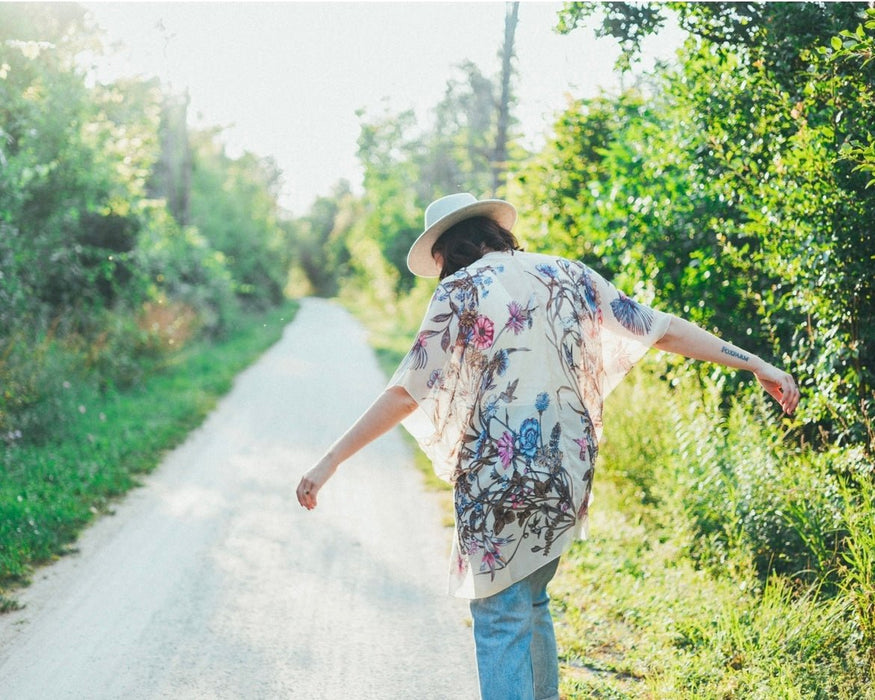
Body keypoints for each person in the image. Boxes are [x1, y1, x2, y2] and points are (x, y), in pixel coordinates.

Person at [296, 192, 799, 700]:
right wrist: (755, 362)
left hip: (498, 477)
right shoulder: (569, 274)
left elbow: (407, 391)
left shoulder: (459, 291)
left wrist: (329, 460)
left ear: (446, 250)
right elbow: (662, 330)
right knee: (531, 603)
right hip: (567, 472)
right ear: (493, 231)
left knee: (498, 618)